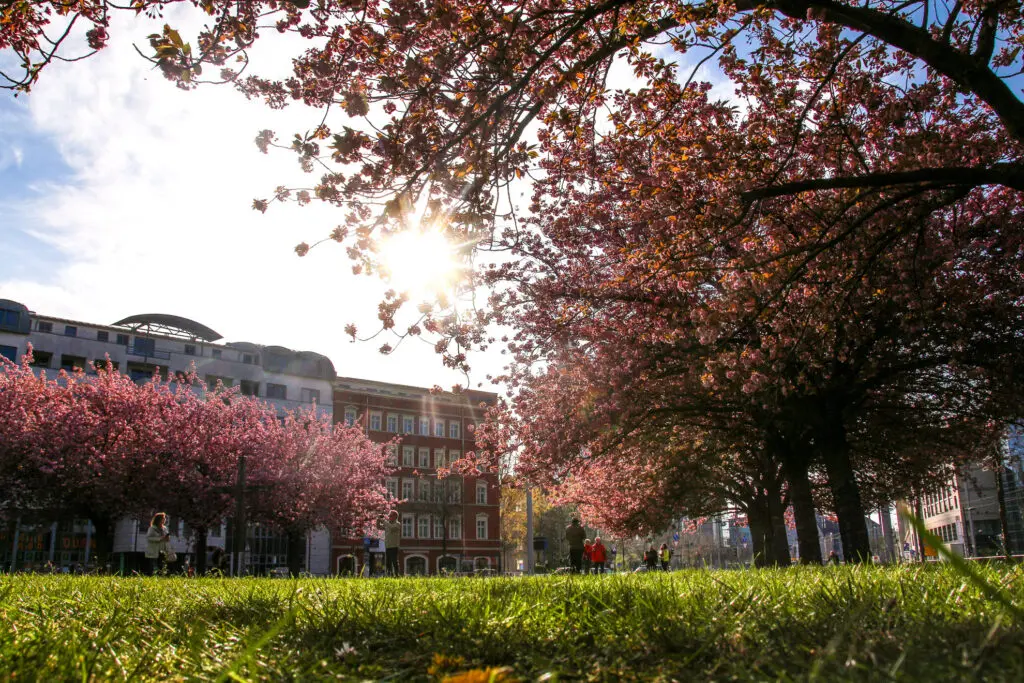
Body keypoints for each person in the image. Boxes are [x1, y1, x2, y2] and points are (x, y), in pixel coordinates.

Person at [384, 510, 402, 576]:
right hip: (387, 546)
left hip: (394, 546)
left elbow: (392, 528)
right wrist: (378, 520)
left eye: (390, 516)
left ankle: (397, 574)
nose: (389, 517)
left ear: (395, 516)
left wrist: (384, 521)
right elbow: (379, 527)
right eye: (389, 516)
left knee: (394, 561)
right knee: (388, 562)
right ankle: (389, 574)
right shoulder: (387, 524)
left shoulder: (397, 524)